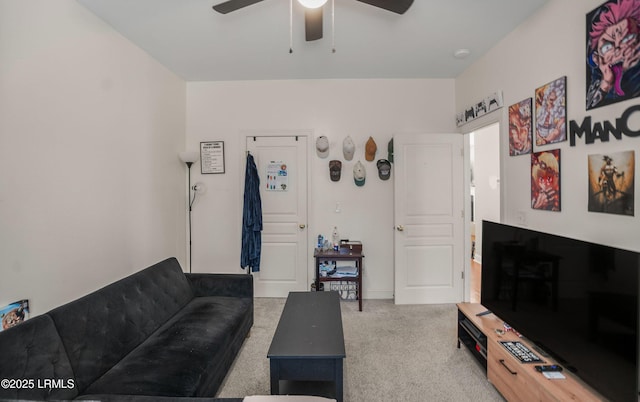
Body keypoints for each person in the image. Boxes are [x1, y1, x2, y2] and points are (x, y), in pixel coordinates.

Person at [587, 0, 640, 109]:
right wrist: (606, 83)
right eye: (607, 47)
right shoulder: (597, 74)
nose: (617, 51)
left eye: (627, 38)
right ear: (596, 56)